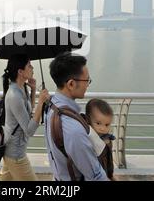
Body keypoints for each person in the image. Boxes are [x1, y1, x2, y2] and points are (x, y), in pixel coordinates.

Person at [44, 52, 109, 181]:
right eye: (87, 80)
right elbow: (95, 176)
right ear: (71, 84)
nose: (87, 85)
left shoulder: (51, 106)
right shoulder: (73, 129)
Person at [0, 54, 50, 181]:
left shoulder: (21, 88)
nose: (32, 68)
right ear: (20, 71)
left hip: (12, 150)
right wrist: (41, 102)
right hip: (15, 155)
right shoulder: (14, 95)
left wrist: (33, 91)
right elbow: (29, 130)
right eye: (29, 65)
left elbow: (28, 112)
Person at [84, 98, 115, 180]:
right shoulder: (87, 138)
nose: (103, 128)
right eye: (98, 123)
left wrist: (110, 175)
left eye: (107, 125)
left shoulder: (107, 138)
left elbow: (109, 161)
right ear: (88, 120)